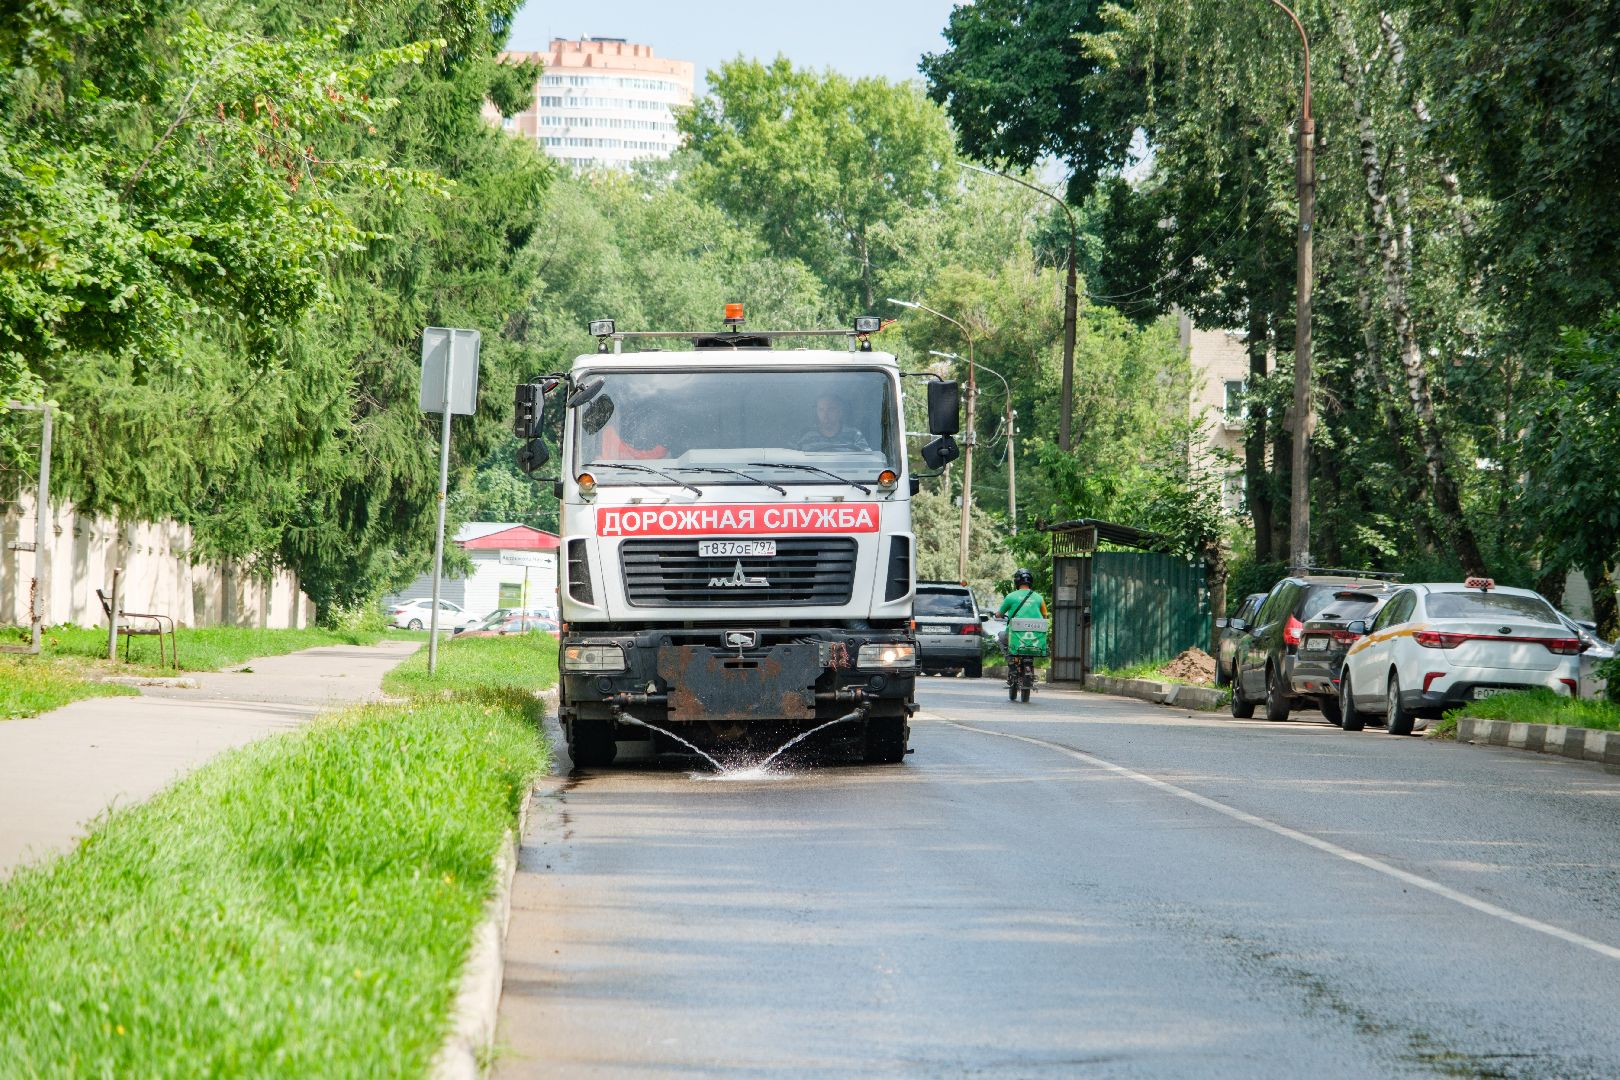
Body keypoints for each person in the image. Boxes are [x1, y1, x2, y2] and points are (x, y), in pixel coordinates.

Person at [997, 568, 1049, 651]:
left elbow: (999, 614)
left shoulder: (1010, 597)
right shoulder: (1039, 598)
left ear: (1016, 581)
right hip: (1035, 637)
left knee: (1000, 637)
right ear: (1030, 581)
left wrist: (998, 614)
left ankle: (1010, 659)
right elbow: (1045, 616)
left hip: (1014, 635)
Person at [798, 393, 871, 452]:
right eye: (821, 410)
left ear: (840, 412)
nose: (825, 414)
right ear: (816, 412)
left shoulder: (854, 435)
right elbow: (796, 463)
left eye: (831, 409)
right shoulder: (808, 437)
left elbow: (868, 461)